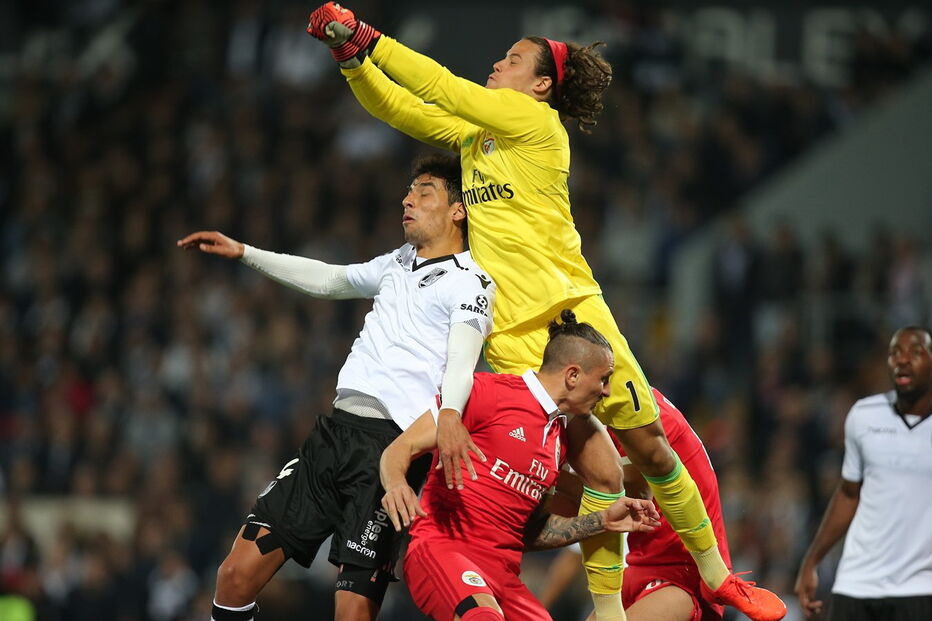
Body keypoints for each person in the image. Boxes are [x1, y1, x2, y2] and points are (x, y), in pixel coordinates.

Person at [305, 4, 785, 620]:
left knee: (652, 451)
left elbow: (441, 86)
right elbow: (401, 109)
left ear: (539, 86)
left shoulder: (535, 124)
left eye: (511, 60)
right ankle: (608, 615)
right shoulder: (476, 139)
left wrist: (369, 37)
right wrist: (351, 60)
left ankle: (719, 576)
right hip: (513, 340)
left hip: (577, 319)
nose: (496, 64)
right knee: (601, 475)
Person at [178, 154, 497, 621]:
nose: (407, 200)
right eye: (408, 191)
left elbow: (463, 363)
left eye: (424, 191)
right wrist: (245, 252)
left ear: (458, 210)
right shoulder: (397, 262)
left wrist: (450, 414)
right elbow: (330, 280)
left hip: (390, 451)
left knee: (351, 614)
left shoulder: (472, 283)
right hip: (333, 437)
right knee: (233, 575)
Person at [380, 310, 661, 621]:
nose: (606, 391)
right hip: (444, 551)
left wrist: (602, 520)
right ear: (572, 375)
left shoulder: (558, 439)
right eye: (603, 379)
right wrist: (396, 484)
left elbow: (529, 532)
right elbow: (400, 448)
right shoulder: (486, 393)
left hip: (502, 576)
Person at [539, 388, 734, 621]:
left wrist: (542, 474)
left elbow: (631, 496)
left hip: (684, 577)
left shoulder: (633, 417)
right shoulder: (621, 404)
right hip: (640, 565)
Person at [795, 326, 932, 621]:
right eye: (895, 352)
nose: (902, 360)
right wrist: (812, 559)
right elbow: (848, 494)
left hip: (919, 588)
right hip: (856, 584)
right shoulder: (864, 415)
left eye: (916, 352)